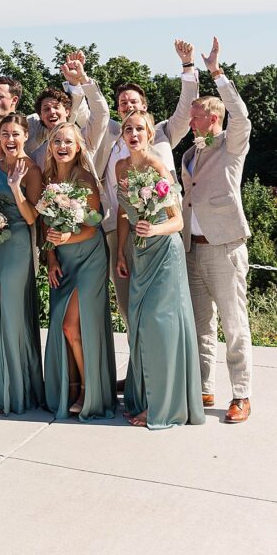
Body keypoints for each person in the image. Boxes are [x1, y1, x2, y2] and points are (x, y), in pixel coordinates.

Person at [93, 40, 198, 331]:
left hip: (162, 229)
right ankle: (139, 369)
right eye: (123, 103)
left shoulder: (164, 132)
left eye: (133, 101)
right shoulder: (111, 136)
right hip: (119, 226)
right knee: (129, 303)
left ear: (145, 106)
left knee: (162, 305)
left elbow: (186, 107)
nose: (128, 106)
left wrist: (187, 66)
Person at [115, 111, 204, 429]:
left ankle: (164, 407)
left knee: (160, 325)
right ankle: (144, 397)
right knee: (140, 325)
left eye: (140, 129)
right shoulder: (120, 167)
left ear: (150, 134)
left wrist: (153, 231)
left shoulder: (157, 168)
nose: (133, 133)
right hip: (138, 255)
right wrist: (121, 255)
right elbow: (124, 215)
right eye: (128, 129)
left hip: (165, 253)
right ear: (122, 135)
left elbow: (177, 221)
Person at [181, 37, 253, 424]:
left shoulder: (231, 145)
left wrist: (215, 72)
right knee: (200, 327)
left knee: (233, 324)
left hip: (225, 247)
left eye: (195, 116)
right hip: (192, 250)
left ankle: (241, 394)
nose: (190, 122)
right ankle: (203, 387)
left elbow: (241, 116)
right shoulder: (190, 153)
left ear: (211, 117)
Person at [43, 123, 117, 421]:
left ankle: (89, 389)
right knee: (65, 325)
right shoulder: (48, 178)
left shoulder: (84, 178)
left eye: (68, 142)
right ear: (50, 146)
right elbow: (46, 227)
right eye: (57, 141)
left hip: (89, 258)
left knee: (71, 327)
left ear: (77, 148)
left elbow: (92, 225)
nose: (62, 146)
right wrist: (51, 258)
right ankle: (71, 386)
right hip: (63, 259)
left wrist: (66, 239)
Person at [0, 114, 44, 415]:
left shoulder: (31, 169)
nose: (9, 139)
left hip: (17, 244)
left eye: (15, 134)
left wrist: (16, 187)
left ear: (26, 135)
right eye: (4, 133)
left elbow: (32, 218)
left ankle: (12, 393)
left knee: (8, 312)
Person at [30, 53, 109, 169]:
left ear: (67, 111)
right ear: (41, 116)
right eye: (46, 109)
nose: (52, 111)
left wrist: (82, 78)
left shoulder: (84, 140)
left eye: (56, 107)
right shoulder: (37, 156)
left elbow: (101, 113)